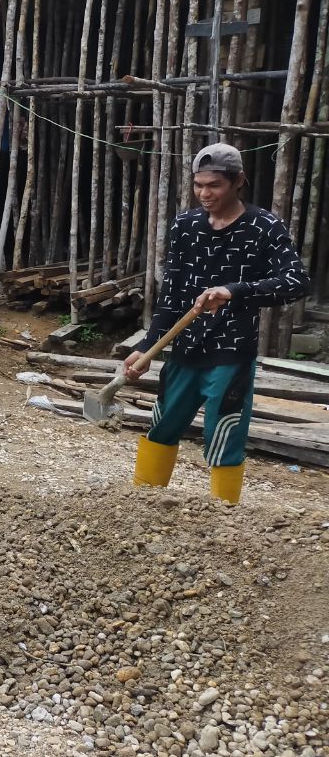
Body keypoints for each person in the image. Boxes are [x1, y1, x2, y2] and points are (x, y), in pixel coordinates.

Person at [124, 143, 310, 503]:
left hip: (231, 352)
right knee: (161, 426)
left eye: (215, 186)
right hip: (183, 349)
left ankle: (224, 521)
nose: (204, 194)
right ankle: (140, 509)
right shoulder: (186, 225)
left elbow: (295, 282)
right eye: (198, 185)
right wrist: (146, 347)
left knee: (224, 434)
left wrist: (235, 291)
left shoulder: (264, 227)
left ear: (238, 181)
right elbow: (172, 291)